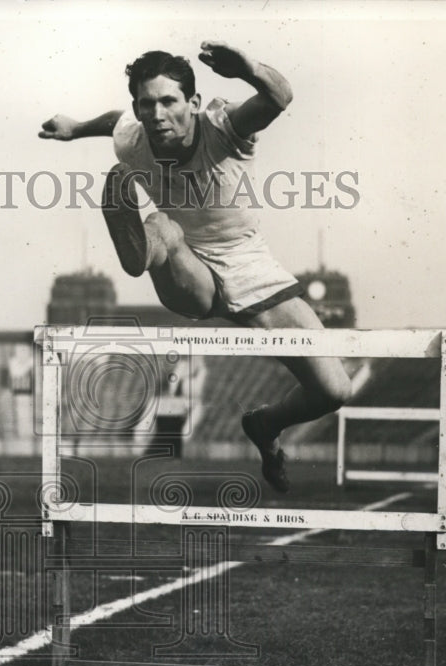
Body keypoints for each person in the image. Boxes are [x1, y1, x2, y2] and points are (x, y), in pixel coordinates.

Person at [40, 41, 352, 492]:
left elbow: (278, 98)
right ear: (138, 108)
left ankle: (265, 425)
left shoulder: (223, 128)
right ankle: (144, 247)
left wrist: (247, 68)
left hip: (252, 267)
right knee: (164, 227)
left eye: (169, 101)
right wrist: (75, 128)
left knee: (334, 391)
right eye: (146, 104)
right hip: (189, 268)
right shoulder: (134, 136)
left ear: (194, 103)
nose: (157, 113)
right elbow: (116, 122)